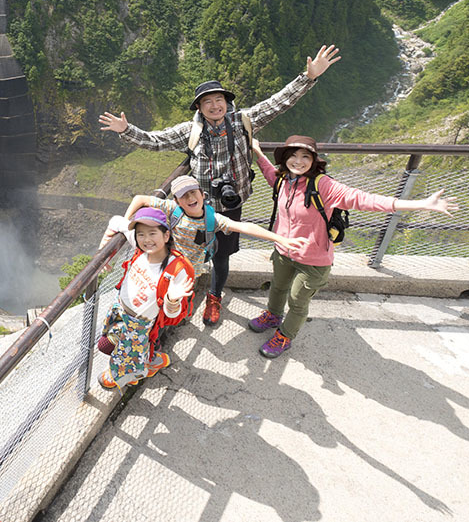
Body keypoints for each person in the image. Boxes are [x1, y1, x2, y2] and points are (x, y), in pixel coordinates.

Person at [99, 44, 341, 325]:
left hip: (229, 207)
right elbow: (155, 141)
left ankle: (214, 298)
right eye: (208, 102)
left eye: (219, 100)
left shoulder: (242, 121)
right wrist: (126, 131)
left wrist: (308, 77)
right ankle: (178, 296)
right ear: (200, 108)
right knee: (186, 252)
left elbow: (278, 103)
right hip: (194, 208)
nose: (215, 106)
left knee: (222, 257)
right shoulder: (189, 131)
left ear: (227, 102)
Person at [249, 135, 458, 358]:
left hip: (313, 259)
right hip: (283, 250)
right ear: (285, 159)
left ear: (313, 161)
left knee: (297, 300)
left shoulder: (324, 185)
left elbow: (363, 199)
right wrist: (258, 152)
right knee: (278, 288)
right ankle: (273, 315)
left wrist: (420, 204)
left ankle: (285, 335)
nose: (298, 161)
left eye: (305, 156)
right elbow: (269, 172)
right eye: (293, 156)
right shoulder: (283, 181)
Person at [108, 175, 309, 320]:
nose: (189, 199)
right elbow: (139, 200)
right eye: (183, 196)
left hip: (187, 272)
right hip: (165, 265)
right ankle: (155, 328)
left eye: (192, 193)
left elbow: (244, 226)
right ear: (176, 200)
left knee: (173, 304)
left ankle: (167, 323)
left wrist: (279, 239)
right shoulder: (172, 209)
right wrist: (127, 224)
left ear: (202, 195)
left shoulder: (213, 219)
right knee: (157, 301)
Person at [96, 207, 195, 390]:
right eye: (141, 234)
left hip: (138, 323)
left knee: (108, 348)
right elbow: (116, 220)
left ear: (166, 236)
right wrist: (104, 253)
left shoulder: (176, 270)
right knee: (112, 346)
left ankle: (128, 374)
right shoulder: (142, 248)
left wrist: (172, 300)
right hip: (120, 310)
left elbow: (171, 315)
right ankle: (151, 361)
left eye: (152, 233)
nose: (147, 239)